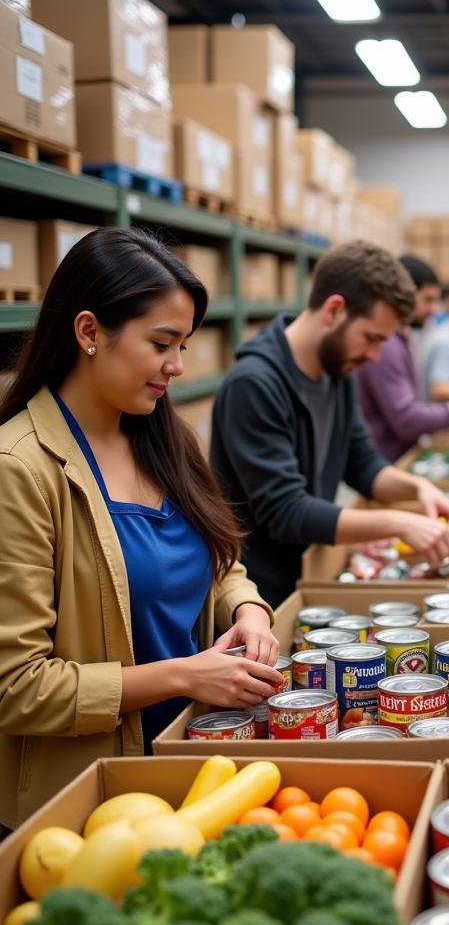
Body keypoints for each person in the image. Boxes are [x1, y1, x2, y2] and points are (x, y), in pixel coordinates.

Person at [0, 228, 282, 828]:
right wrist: (185, 673)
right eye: (162, 343)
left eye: (183, 345)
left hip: (193, 766)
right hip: (89, 807)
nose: (178, 366)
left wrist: (248, 612)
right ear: (89, 332)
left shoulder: (165, 437)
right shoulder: (19, 470)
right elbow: (16, 687)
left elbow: (219, 560)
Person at [210, 240, 449, 608]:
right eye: (372, 338)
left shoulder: (337, 371)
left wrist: (416, 487)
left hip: (308, 576)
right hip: (257, 597)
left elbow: (363, 466)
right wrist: (399, 523)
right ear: (334, 310)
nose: (374, 356)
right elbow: (286, 512)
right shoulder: (254, 385)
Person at [357, 255, 449, 462]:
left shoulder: (403, 337)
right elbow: (406, 419)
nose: (434, 309)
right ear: (402, 293)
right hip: (388, 462)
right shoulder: (386, 344)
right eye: (427, 300)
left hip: (398, 459)